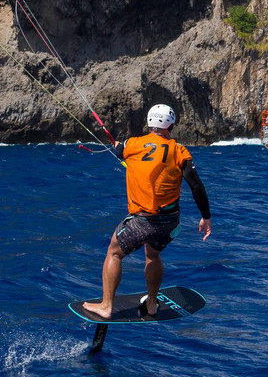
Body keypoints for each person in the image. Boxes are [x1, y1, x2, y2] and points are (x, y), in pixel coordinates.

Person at [80, 103, 212, 320]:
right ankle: (151, 304)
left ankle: (106, 306)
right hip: (170, 221)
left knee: (114, 252)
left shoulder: (134, 144)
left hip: (143, 221)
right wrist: (206, 218)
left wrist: (120, 150)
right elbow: (196, 186)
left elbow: (120, 150)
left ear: (150, 122)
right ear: (170, 124)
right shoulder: (179, 151)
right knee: (153, 254)